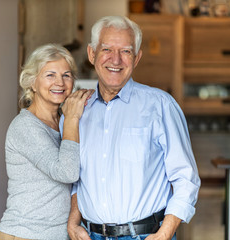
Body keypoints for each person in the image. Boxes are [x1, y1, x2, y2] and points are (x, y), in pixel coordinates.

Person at [60, 16, 201, 240]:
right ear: (92, 54)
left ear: (137, 58)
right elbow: (78, 179)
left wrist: (165, 232)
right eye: (106, 49)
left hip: (146, 236)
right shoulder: (76, 112)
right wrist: (73, 222)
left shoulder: (160, 105)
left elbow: (186, 178)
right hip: (90, 236)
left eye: (125, 51)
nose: (115, 59)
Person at [0, 43, 93, 240]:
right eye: (50, 75)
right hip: (24, 234)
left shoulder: (63, 122)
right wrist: (73, 119)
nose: (60, 82)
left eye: (66, 75)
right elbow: (66, 172)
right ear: (32, 82)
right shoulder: (25, 126)